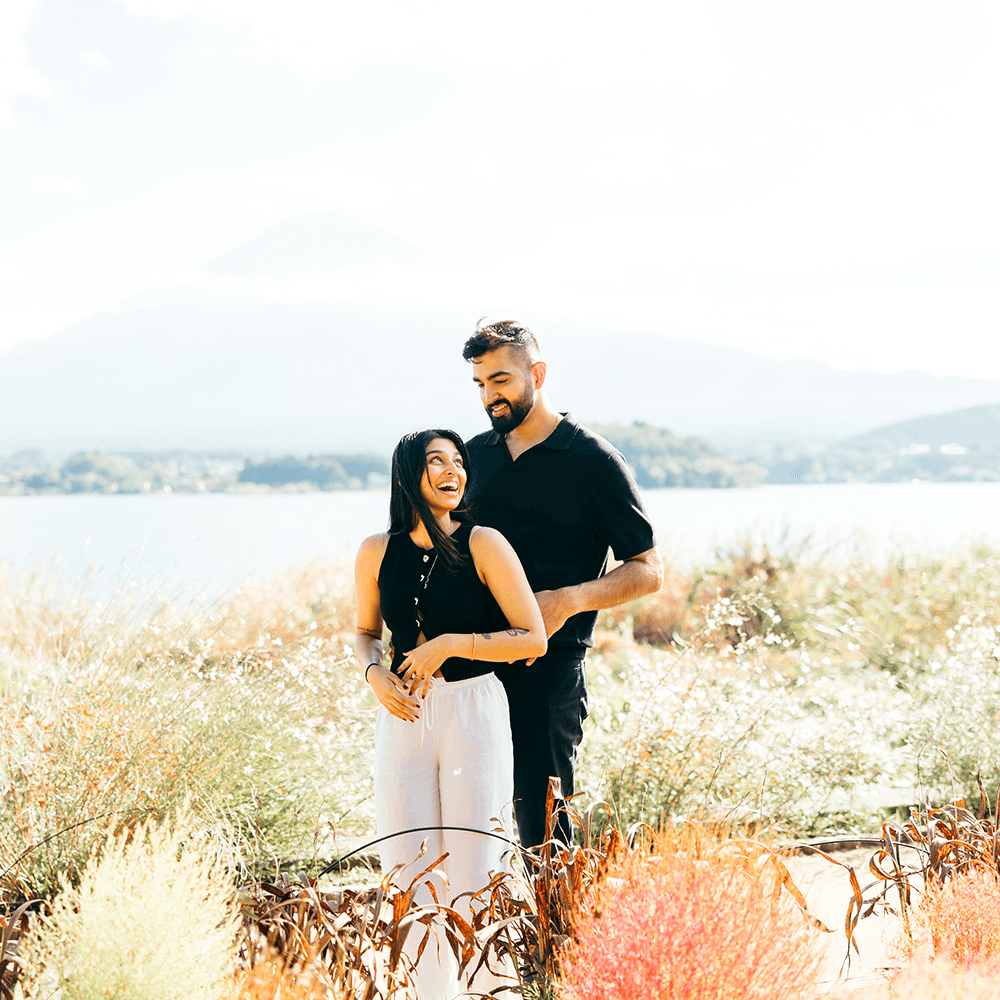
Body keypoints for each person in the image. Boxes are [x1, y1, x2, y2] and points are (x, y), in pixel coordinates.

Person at [354, 427, 546, 1000]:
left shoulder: (484, 543)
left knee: (477, 862)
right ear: (407, 474)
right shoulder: (375, 550)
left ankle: (490, 992)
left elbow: (532, 637)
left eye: (458, 461)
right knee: (407, 865)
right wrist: (373, 673)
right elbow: (365, 633)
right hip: (402, 717)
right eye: (436, 461)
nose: (452, 471)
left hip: (473, 712)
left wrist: (450, 645)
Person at [461, 320, 663, 849]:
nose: (489, 396)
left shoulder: (593, 460)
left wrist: (568, 600)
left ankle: (557, 909)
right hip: (469, 668)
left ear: (538, 374)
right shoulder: (472, 457)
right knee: (471, 823)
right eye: (480, 384)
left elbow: (648, 569)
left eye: (500, 380)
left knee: (544, 834)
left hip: (547, 672)